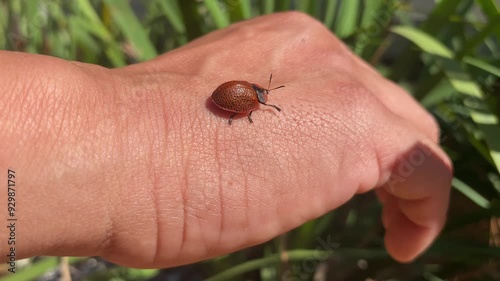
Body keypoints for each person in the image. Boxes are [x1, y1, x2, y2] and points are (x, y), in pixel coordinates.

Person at [0, 12, 452, 268]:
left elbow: (243, 96)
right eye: (264, 95)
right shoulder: (248, 100)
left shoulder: (252, 97)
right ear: (257, 94)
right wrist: (129, 131)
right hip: (226, 98)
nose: (264, 98)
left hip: (228, 96)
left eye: (263, 96)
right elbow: (236, 98)